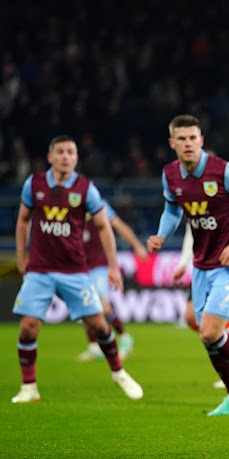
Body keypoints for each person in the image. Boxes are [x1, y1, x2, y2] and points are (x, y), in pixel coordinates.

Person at [147, 114, 229, 416]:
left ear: (201, 140)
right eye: (182, 139)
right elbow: (172, 210)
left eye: (193, 138)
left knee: (210, 331)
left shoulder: (225, 172)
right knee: (207, 336)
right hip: (202, 267)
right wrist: (162, 235)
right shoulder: (170, 175)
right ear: (172, 143)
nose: (188, 144)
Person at [12, 135, 143, 403]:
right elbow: (23, 220)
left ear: (76, 158)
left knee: (97, 323)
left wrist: (114, 267)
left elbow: (106, 227)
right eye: (60, 152)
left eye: (70, 152)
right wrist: (20, 255)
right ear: (50, 157)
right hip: (40, 269)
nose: (65, 157)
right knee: (28, 327)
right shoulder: (34, 184)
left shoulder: (86, 189)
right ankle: (29, 388)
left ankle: (119, 373)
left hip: (75, 271)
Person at [172, 223, 229, 388]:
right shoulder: (187, 199)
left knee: (219, 315)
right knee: (191, 317)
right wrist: (183, 263)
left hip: (222, 263)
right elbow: (191, 234)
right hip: (201, 264)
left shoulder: (220, 199)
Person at [77, 199, 149, 362]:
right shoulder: (65, 204)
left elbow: (119, 226)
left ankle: (124, 336)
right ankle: (94, 347)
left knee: (99, 303)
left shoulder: (97, 204)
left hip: (101, 264)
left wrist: (137, 246)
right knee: (85, 305)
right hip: (81, 265)